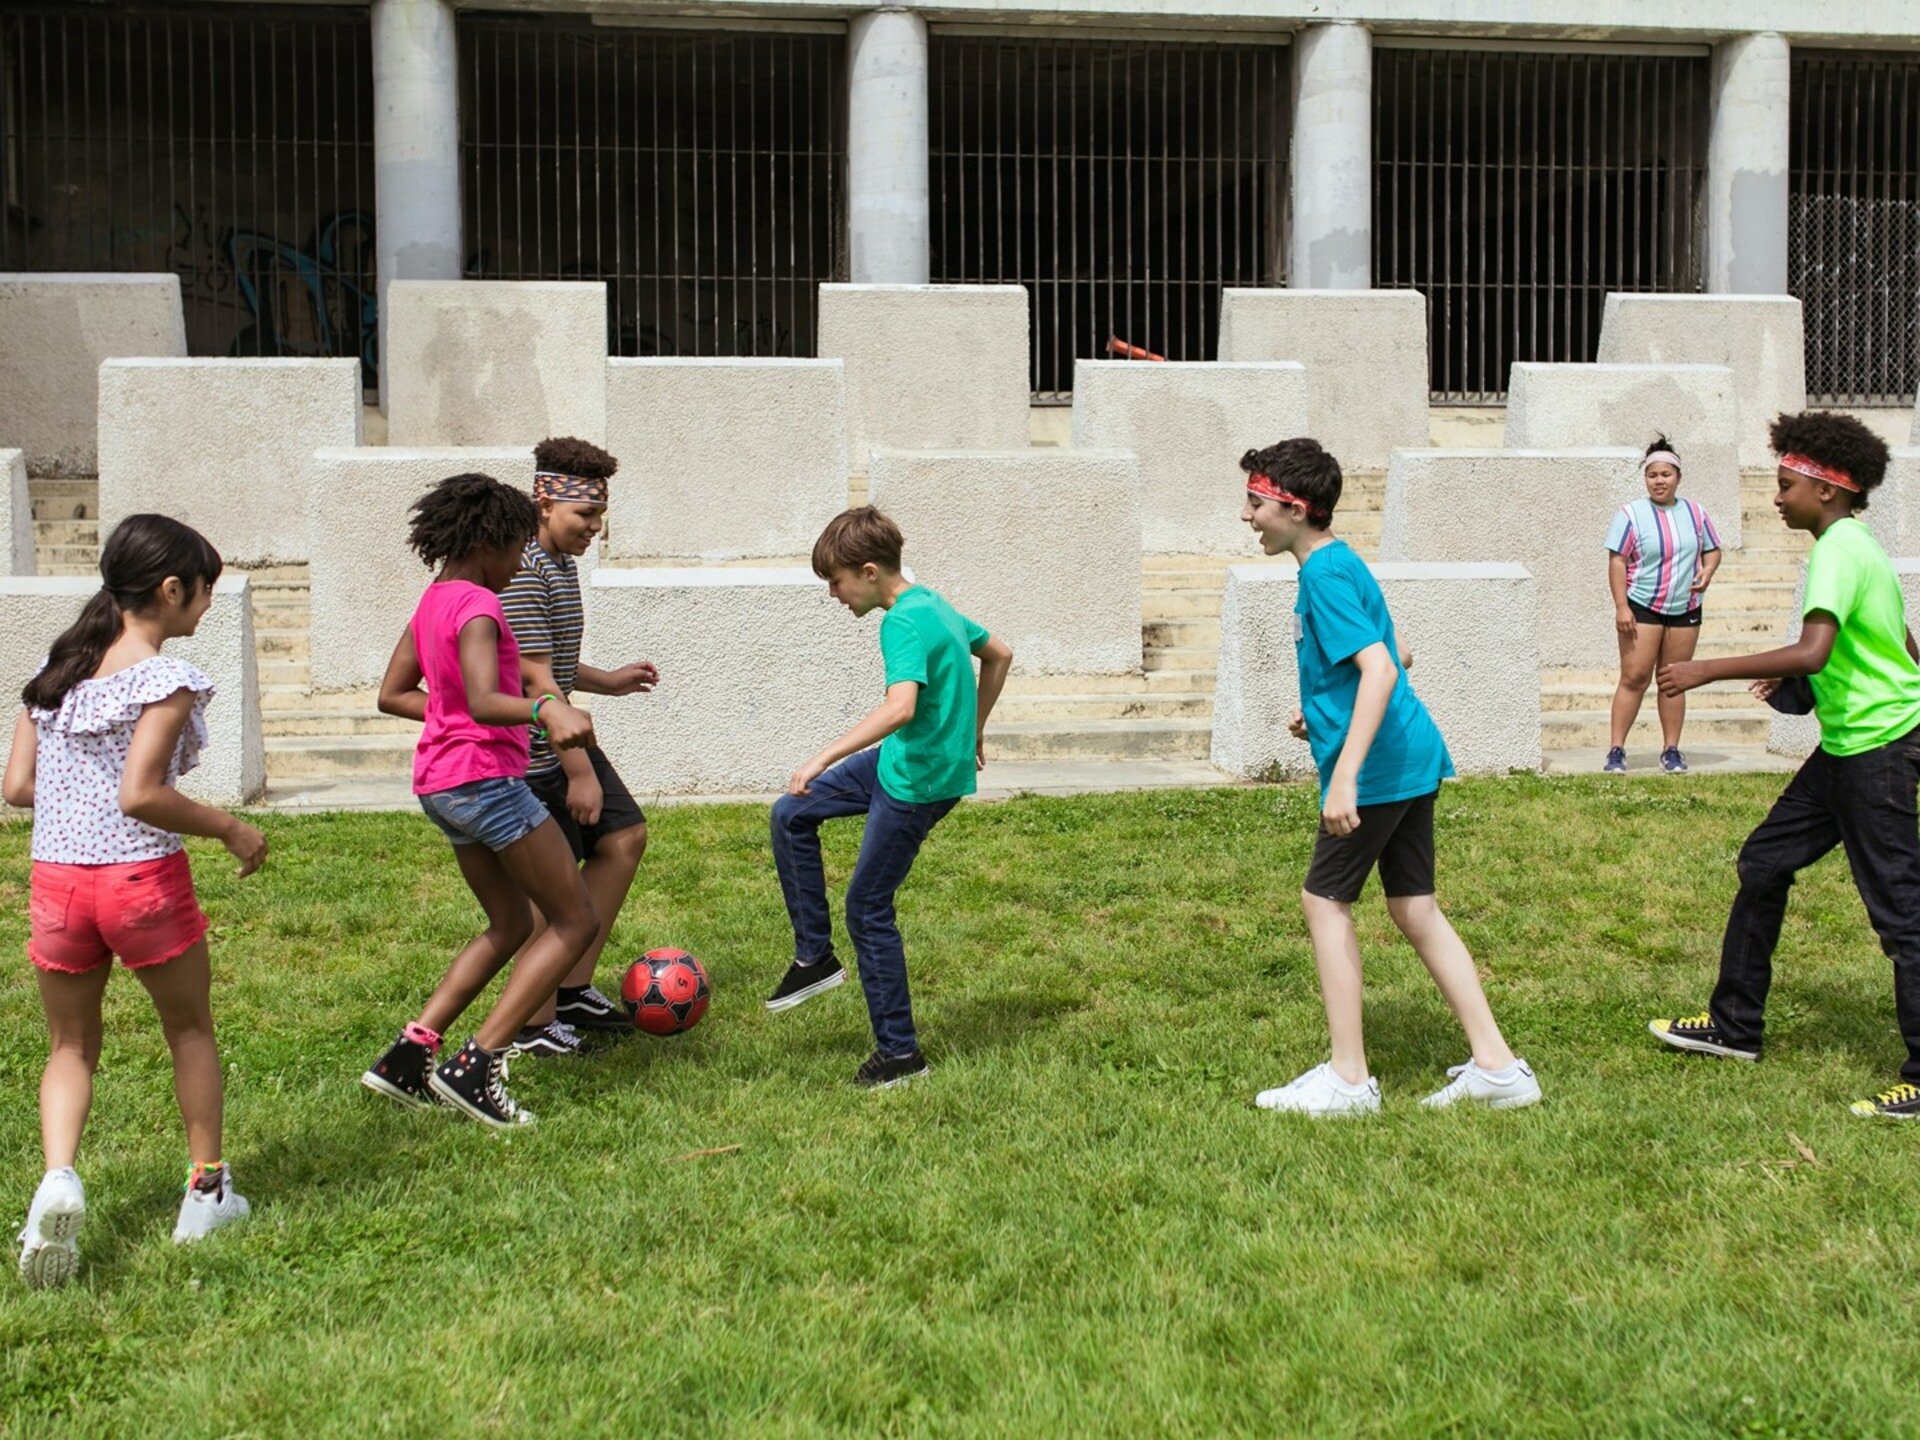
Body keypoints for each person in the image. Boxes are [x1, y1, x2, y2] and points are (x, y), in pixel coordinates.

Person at [1239, 439, 1541, 1117]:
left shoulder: (1322, 575)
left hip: (1376, 770)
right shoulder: (1341, 562)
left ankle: (1349, 1080)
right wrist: (1319, 710)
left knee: (1324, 902)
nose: (1247, 516)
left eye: (1255, 503)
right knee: (1414, 908)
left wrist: (1343, 775)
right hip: (1412, 757)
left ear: (1292, 507)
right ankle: (1498, 1068)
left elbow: (1379, 669)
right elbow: (1394, 651)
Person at [6, 515, 267, 1288]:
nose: (208, 607)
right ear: (170, 588)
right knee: (188, 1029)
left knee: (69, 1046)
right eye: (205, 592)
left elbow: (17, 787)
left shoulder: (55, 675)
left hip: (57, 881)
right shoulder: (164, 680)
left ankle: (57, 1179)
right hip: (138, 882)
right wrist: (231, 829)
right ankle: (207, 1192)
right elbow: (142, 792)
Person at [1650, 412, 1920, 1119]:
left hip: (1876, 751)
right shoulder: (1857, 545)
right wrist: (1805, 687)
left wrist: (1704, 668)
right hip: (1846, 749)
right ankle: (1735, 1029)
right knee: (1764, 863)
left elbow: (1813, 651)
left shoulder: (1838, 551)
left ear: (1827, 490)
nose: (1775, 498)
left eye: (1784, 485)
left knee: (1902, 914)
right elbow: (1899, 641)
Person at [359, 473, 600, 1127]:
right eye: (520, 544)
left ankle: (409, 1055)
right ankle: (477, 1064)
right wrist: (547, 708)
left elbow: (395, 693)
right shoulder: (480, 607)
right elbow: (483, 700)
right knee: (575, 919)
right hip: (485, 783)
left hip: (441, 783)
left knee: (510, 925)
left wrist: (465, 717)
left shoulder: (433, 599)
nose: (524, 559)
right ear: (491, 538)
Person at [763, 507, 1013, 1088]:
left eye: (837, 581)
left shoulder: (900, 622)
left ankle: (900, 1054)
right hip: (902, 762)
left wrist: (820, 757)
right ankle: (814, 959)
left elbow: (900, 707)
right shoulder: (933, 604)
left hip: (917, 782)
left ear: (869, 571)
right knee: (792, 812)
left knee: (868, 908)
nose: (834, 594)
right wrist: (973, 728)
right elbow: (999, 652)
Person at [497, 438, 658, 1058]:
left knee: (623, 838)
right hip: (533, 756)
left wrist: (606, 680)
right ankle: (533, 1030)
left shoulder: (560, 565)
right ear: (544, 501)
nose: (595, 528)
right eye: (585, 516)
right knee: (553, 891)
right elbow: (536, 681)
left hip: (562, 739)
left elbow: (551, 661)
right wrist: (579, 773)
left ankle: (570, 987)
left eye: (600, 516)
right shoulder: (523, 573)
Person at [1602, 436, 1723, 775]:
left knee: (1673, 680)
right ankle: (1616, 749)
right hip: (1643, 605)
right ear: (1645, 478)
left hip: (1685, 608)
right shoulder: (1631, 514)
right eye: (1652, 475)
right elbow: (1617, 561)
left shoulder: (1696, 513)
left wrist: (1708, 571)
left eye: (1665, 474)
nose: (1659, 481)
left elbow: (1713, 550)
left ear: (1678, 477)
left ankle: (1671, 749)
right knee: (1635, 677)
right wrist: (1621, 607)